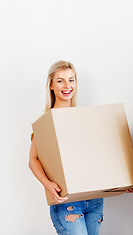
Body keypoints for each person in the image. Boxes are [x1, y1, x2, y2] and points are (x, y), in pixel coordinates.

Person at [29, 61, 104, 235]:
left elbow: (99, 155)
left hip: (94, 199)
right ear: (51, 85)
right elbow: (33, 160)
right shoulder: (46, 122)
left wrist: (121, 181)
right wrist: (48, 184)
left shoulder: (85, 119)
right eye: (60, 81)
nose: (67, 85)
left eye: (71, 80)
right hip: (67, 202)